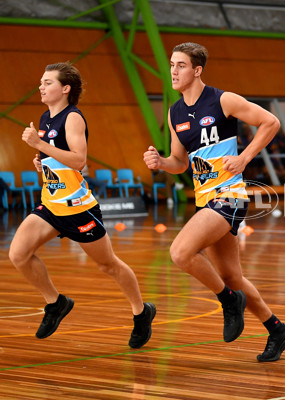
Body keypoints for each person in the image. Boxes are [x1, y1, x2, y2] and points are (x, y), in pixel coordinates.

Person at [143, 42, 285, 362]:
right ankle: (277, 329)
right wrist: (161, 162)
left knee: (181, 252)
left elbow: (270, 122)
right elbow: (180, 162)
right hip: (205, 200)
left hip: (229, 197)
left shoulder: (222, 99)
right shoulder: (175, 113)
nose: (173, 70)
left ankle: (227, 301)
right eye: (172, 64)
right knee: (233, 277)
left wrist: (244, 157)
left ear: (197, 70)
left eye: (181, 65)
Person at [9, 62, 155, 348]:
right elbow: (60, 159)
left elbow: (79, 160)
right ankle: (56, 303)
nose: (41, 86)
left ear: (65, 89)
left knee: (108, 265)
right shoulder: (45, 117)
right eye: (41, 82)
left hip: (78, 209)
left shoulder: (73, 118)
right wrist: (43, 163)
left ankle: (141, 312)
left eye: (47, 82)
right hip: (51, 205)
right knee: (19, 254)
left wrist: (40, 146)